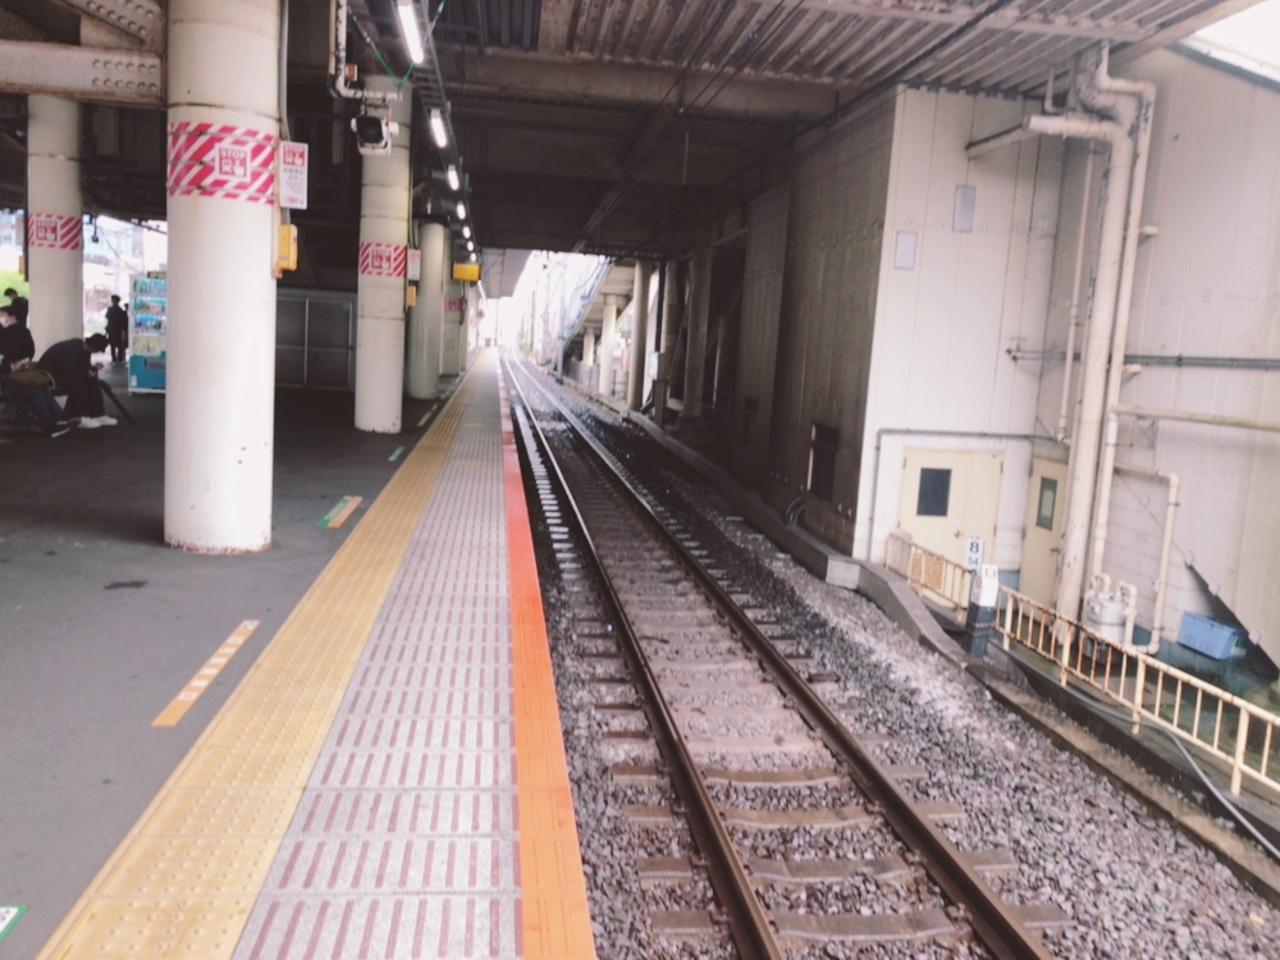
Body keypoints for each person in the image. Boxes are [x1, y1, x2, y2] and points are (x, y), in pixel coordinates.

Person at [37, 333, 116, 428]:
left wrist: (92, 371)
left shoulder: (83, 349)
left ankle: (98, 414)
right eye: (97, 350)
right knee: (78, 382)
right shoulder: (71, 349)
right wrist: (87, 372)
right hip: (50, 375)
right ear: (92, 346)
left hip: (63, 373)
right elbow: (70, 369)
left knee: (93, 380)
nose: (97, 352)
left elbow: (81, 368)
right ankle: (83, 417)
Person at [105, 294, 129, 364]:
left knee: (113, 345)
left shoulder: (110, 309)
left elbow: (107, 317)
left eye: (112, 300)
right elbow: (124, 320)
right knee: (119, 345)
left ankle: (114, 359)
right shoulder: (120, 310)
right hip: (118, 330)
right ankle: (119, 359)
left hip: (112, 330)